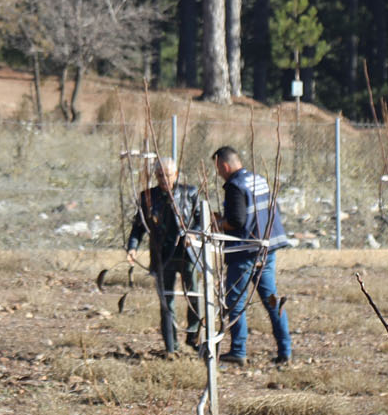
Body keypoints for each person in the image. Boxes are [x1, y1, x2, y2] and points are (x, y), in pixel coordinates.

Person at [212, 145, 292, 364]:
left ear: (224, 165)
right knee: (272, 301)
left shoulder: (234, 186)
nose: (219, 173)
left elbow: (236, 221)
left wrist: (218, 222)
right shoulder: (258, 180)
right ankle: (285, 351)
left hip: (245, 251)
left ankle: (238, 351)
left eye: (218, 168)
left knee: (235, 302)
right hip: (267, 249)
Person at [125, 156, 201, 355]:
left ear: (175, 174)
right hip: (162, 256)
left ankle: (193, 336)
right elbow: (138, 226)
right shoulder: (148, 197)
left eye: (167, 175)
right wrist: (132, 247)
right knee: (166, 302)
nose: (163, 179)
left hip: (188, 254)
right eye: (159, 175)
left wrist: (192, 235)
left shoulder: (190, 193)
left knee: (194, 296)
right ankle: (171, 348)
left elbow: (203, 222)